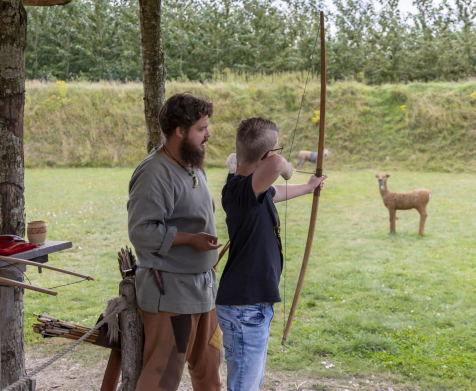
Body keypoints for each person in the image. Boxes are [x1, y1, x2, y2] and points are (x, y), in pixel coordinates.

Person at [217, 117, 327, 391]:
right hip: (245, 308)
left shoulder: (248, 189)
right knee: (244, 386)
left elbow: (274, 192)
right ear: (267, 156)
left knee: (248, 383)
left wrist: (308, 187)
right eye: (278, 149)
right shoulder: (241, 190)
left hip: (249, 305)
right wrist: (288, 167)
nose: (280, 155)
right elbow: (278, 168)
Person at [127, 93, 223, 391]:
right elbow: (142, 232)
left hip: (204, 289)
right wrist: (190, 240)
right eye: (201, 128)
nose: (208, 133)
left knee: (209, 370)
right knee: (163, 377)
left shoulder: (192, 163)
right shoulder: (154, 173)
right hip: (172, 294)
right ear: (180, 131)